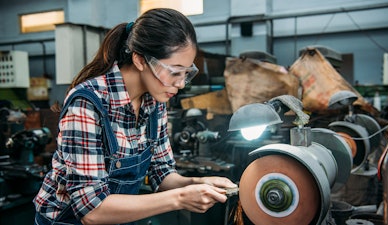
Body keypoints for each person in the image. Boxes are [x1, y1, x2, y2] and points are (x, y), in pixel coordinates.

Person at [33, 8, 237, 225]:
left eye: (186, 73)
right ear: (140, 60)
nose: (180, 83)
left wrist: (196, 183)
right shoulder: (88, 103)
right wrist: (180, 198)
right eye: (174, 71)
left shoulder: (155, 102)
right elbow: (91, 211)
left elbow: (162, 172)